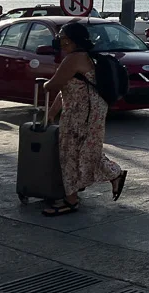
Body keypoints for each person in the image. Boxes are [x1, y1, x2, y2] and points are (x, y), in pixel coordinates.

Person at [41, 22, 127, 217]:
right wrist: (52, 113)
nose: (60, 42)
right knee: (86, 150)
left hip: (83, 113)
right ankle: (113, 175)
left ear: (73, 41)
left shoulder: (73, 59)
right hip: (89, 111)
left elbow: (54, 84)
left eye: (64, 39)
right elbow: (67, 89)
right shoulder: (84, 57)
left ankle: (71, 200)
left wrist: (44, 84)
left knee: (69, 154)